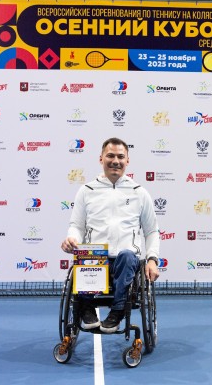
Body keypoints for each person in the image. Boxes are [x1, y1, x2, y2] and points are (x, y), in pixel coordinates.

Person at [61, 137, 160, 333]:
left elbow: (151, 231)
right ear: (101, 158)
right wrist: (72, 238)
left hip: (126, 260)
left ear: (127, 160)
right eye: (110, 156)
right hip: (96, 259)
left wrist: (152, 259)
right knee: (88, 252)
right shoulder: (87, 190)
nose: (116, 161)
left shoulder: (139, 192)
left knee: (127, 255)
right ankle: (86, 308)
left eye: (120, 157)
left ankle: (117, 311)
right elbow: (76, 226)